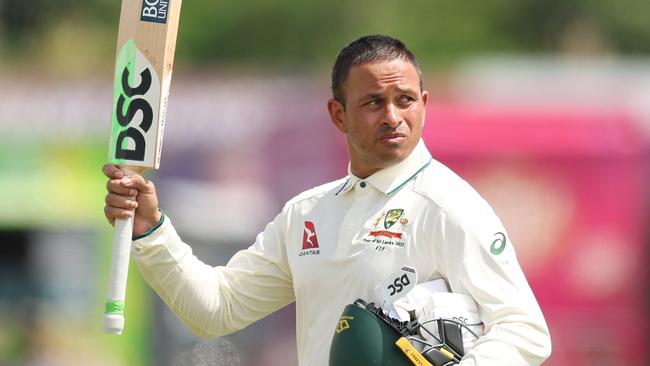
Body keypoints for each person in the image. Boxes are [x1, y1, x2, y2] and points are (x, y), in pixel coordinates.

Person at [103, 35, 552, 365]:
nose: (393, 116)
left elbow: (525, 332)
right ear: (338, 114)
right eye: (374, 102)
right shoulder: (307, 214)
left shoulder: (449, 205)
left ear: (424, 104)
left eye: (406, 100)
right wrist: (151, 230)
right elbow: (216, 310)